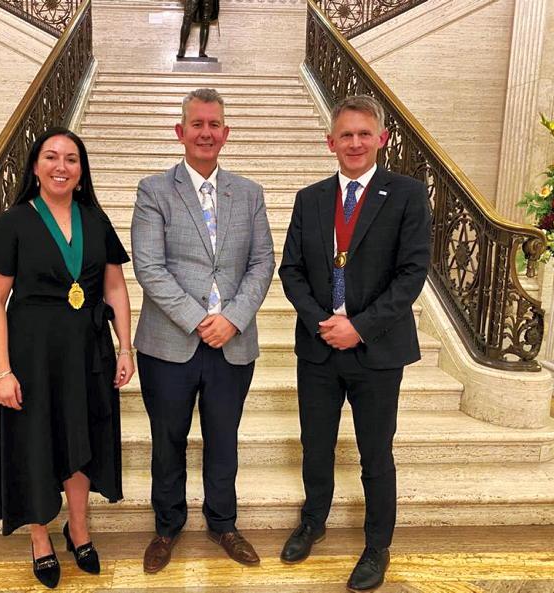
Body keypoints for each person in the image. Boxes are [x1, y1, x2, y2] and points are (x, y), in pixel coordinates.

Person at [278, 95, 431, 591]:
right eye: (346, 134)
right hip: (319, 347)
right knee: (315, 445)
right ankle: (313, 522)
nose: (355, 142)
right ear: (331, 142)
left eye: (365, 133)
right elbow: (291, 270)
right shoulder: (310, 198)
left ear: (381, 139)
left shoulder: (407, 194)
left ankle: (377, 545)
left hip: (377, 350)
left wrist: (359, 326)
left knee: (375, 454)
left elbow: (412, 274)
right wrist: (323, 321)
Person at [0, 127, 134, 589]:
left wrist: (125, 348)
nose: (61, 166)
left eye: (71, 159)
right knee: (36, 443)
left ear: (82, 171)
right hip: (33, 356)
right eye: (51, 157)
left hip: (88, 351)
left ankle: (78, 528)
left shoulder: (95, 219)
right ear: (35, 166)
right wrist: (1, 372)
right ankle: (40, 537)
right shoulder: (14, 221)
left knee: (82, 440)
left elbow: (115, 288)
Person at [131, 88, 275, 573]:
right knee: (167, 439)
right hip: (169, 344)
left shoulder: (249, 193)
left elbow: (262, 262)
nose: (206, 133)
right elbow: (150, 267)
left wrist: (232, 317)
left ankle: (223, 524)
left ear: (226, 133)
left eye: (214, 125)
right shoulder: (154, 191)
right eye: (197, 124)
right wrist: (198, 319)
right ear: (181, 132)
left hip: (233, 343)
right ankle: (167, 527)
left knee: (223, 439)